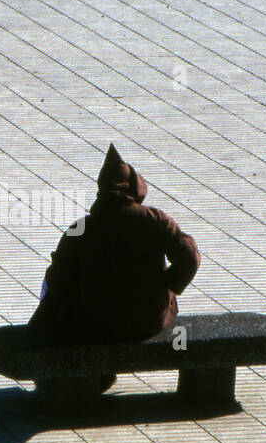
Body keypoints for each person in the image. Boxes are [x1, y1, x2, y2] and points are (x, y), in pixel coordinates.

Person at [28, 144, 200, 390]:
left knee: (55, 283)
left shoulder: (82, 227)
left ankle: (89, 374)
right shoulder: (155, 221)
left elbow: (58, 280)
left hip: (94, 324)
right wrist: (168, 285)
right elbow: (190, 257)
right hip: (148, 321)